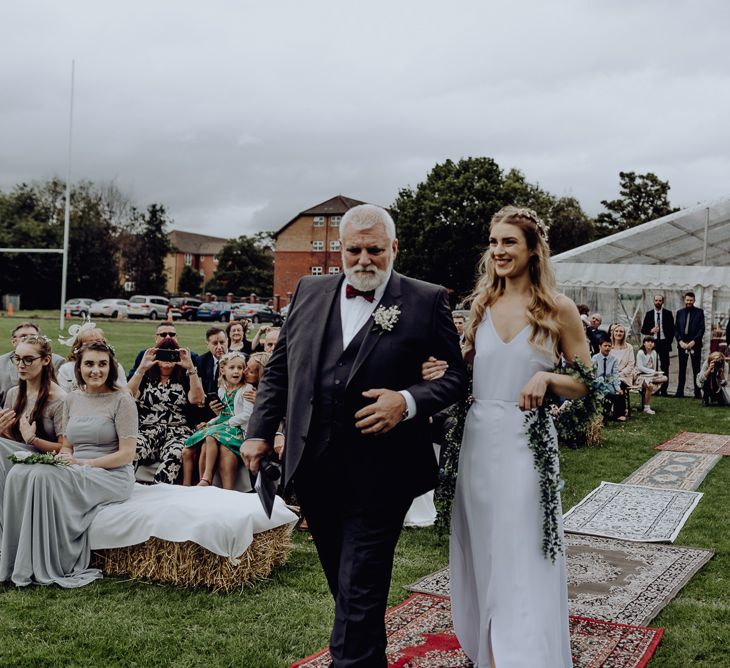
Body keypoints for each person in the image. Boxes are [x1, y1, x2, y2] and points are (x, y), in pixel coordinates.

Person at [242, 204, 467, 667]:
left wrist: (405, 401)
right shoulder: (308, 290)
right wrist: (259, 431)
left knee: (360, 586)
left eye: (375, 250)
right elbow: (280, 367)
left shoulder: (426, 300)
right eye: (354, 250)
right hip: (314, 467)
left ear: (394, 249)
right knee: (347, 588)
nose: (364, 260)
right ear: (341, 251)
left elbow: (454, 379)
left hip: (384, 472)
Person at [445, 206, 588, 668]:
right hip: (479, 441)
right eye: (493, 242)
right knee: (484, 543)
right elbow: (467, 368)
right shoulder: (481, 304)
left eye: (509, 242)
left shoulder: (558, 308)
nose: (499, 251)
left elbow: (589, 383)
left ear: (532, 250)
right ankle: (487, 645)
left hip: (528, 443)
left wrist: (548, 381)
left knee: (523, 544)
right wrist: (446, 369)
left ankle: (524, 654)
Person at [0, 341, 137, 587]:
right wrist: (63, 458)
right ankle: (15, 559)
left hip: (111, 473)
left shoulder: (122, 400)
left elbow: (126, 455)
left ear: (111, 368)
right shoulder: (73, 399)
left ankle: (49, 561)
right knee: (21, 471)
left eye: (102, 364)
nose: (96, 370)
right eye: (89, 364)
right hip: (76, 465)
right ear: (79, 368)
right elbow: (67, 446)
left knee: (42, 477)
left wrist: (83, 463)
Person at [183, 351, 269, 488]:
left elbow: (247, 414)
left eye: (241, 368)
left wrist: (226, 422)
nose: (238, 372)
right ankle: (188, 486)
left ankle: (206, 479)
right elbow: (223, 414)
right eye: (232, 368)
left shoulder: (247, 389)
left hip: (237, 429)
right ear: (222, 370)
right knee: (189, 448)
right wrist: (211, 422)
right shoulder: (222, 390)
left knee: (211, 436)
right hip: (225, 426)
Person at [127, 337, 204, 484]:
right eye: (163, 353)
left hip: (177, 431)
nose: (167, 358)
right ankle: (124, 486)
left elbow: (197, 399)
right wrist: (141, 368)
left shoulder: (184, 378)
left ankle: (159, 492)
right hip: (148, 430)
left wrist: (190, 368)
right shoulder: (146, 377)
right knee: (133, 448)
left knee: (175, 454)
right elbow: (128, 395)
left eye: (172, 354)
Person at [0, 322, 65, 406]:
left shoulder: (57, 361)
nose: (28, 339)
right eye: (23, 336)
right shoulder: (1, 362)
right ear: (14, 341)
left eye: (33, 336)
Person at [57, 322, 127, 391]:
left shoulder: (115, 366)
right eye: (89, 343)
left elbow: (123, 390)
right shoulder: (67, 369)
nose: (95, 346)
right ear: (79, 347)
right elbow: (63, 396)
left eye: (99, 342)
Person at [126, 322, 197, 379]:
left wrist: (191, 369)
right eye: (163, 334)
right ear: (156, 338)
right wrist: (141, 369)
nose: (168, 337)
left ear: (176, 337)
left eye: (172, 334)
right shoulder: (145, 355)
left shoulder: (190, 357)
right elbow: (130, 383)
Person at [640, 294, 675, 396]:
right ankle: (653, 389)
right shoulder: (649, 314)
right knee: (652, 366)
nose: (658, 302)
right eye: (656, 300)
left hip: (664, 342)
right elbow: (643, 330)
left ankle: (664, 390)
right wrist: (651, 330)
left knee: (665, 366)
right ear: (653, 301)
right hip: (653, 343)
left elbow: (672, 329)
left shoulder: (668, 313)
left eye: (660, 300)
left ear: (663, 302)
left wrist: (668, 341)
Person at [675, 291, 705, 398]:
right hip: (682, 344)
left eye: (691, 300)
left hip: (695, 345)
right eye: (687, 300)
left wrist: (694, 341)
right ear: (684, 300)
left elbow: (702, 329)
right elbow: (676, 329)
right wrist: (680, 341)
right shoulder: (679, 313)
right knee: (681, 369)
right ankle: (679, 392)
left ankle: (697, 393)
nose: (689, 302)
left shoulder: (699, 312)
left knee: (696, 369)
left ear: (694, 301)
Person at [593, 333, 626, 422]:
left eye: (609, 346)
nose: (607, 348)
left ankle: (617, 414)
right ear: (600, 346)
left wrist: (617, 388)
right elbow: (593, 374)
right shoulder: (595, 358)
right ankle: (602, 413)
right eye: (605, 346)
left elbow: (615, 374)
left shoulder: (614, 359)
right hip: (598, 383)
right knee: (603, 393)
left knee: (618, 392)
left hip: (609, 382)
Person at [635, 336, 667, 414]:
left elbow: (654, 365)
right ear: (644, 343)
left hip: (651, 375)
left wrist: (655, 373)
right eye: (648, 342)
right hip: (640, 375)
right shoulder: (640, 353)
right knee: (650, 385)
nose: (650, 343)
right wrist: (652, 371)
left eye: (652, 342)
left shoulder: (654, 352)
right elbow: (640, 367)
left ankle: (650, 386)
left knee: (665, 378)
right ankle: (646, 407)